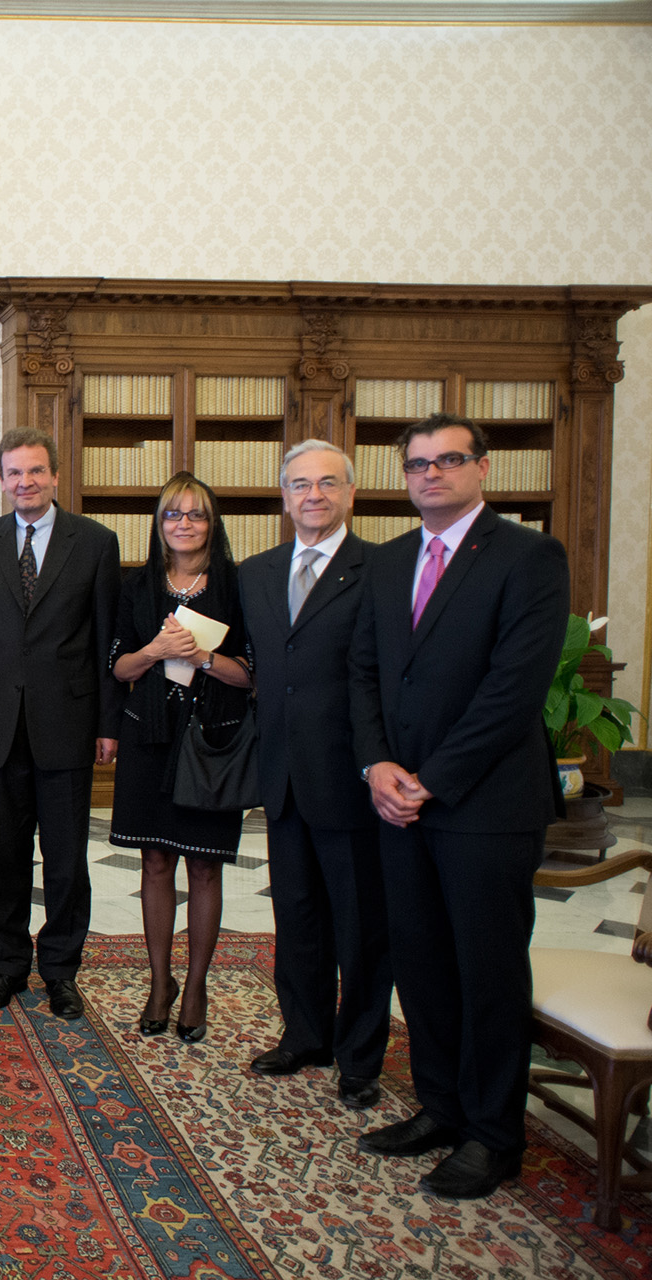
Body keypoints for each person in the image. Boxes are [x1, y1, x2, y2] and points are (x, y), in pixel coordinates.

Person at [350, 413, 568, 1200]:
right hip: (397, 801)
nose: (430, 475)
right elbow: (365, 674)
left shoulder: (528, 557)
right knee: (422, 961)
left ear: (483, 468)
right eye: (417, 465)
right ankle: (439, 1108)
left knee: (486, 970)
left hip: (484, 804)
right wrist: (377, 765)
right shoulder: (390, 561)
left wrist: (430, 779)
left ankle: (492, 1135)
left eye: (447, 461)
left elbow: (514, 690)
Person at [237, 442, 390, 1111]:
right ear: (284, 496)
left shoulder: (382, 570)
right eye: (300, 485)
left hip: (352, 780)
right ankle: (304, 1034)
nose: (314, 496)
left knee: (359, 924)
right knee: (296, 914)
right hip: (284, 775)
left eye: (328, 483)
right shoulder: (257, 572)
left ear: (351, 493)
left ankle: (359, 1056)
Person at [0, 429, 121, 1020]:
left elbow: (106, 640)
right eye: (14, 473)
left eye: (35, 472)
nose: (25, 483)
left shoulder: (96, 542)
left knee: (68, 858)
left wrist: (108, 722)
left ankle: (61, 971)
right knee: (4, 852)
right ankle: (8, 966)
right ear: (1, 480)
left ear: (54, 476)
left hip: (68, 723)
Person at [108, 472, 253, 1044]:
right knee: (156, 863)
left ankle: (196, 986)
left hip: (211, 742)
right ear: (159, 525)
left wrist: (205, 657)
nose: (184, 524)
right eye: (173, 514)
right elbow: (119, 668)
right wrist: (156, 650)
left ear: (212, 525)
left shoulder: (238, 586)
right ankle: (160, 982)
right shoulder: (138, 587)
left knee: (204, 864)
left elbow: (253, 675)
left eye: (195, 515)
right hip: (149, 737)